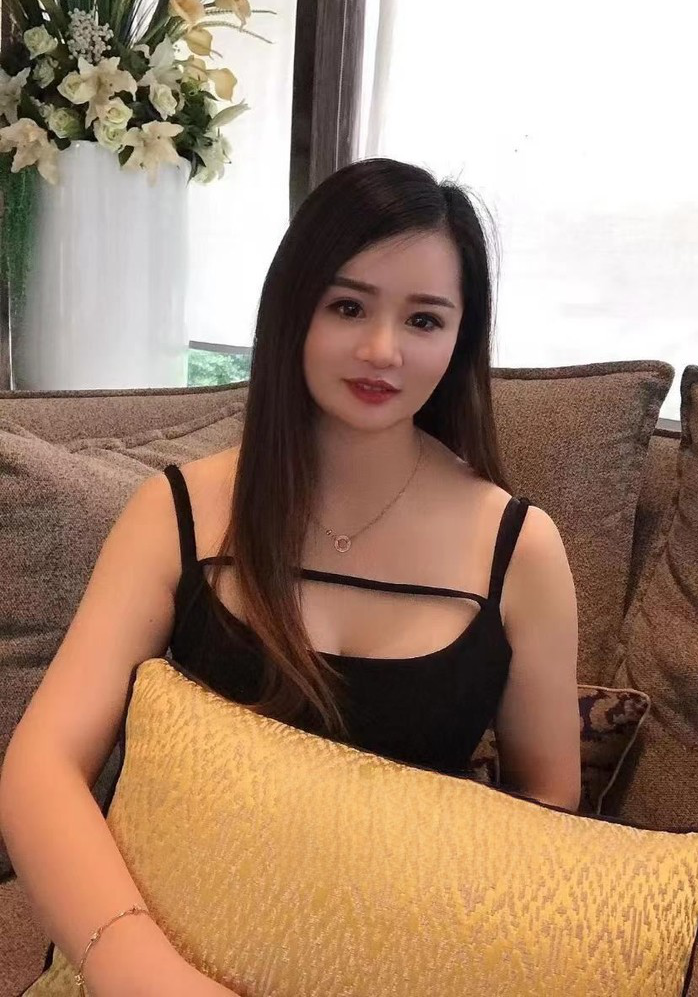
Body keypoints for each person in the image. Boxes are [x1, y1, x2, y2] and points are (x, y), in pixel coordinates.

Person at [0, 157, 581, 996]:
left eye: (424, 319)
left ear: (461, 338)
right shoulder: (179, 511)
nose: (382, 350)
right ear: (293, 308)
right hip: (165, 961)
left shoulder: (520, 549)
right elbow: (43, 762)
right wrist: (138, 967)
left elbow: (547, 809)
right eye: (348, 306)